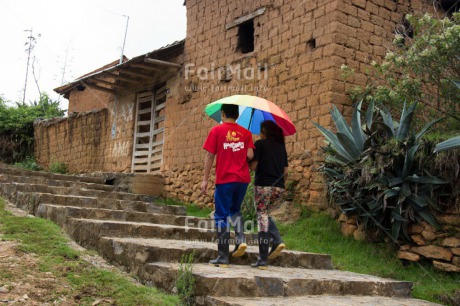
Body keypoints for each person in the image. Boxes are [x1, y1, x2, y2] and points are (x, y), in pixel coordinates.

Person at [201, 103, 255, 268]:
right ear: (237, 115)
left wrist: (204, 179)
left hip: (225, 179)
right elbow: (250, 155)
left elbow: (210, 156)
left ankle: (223, 257)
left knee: (221, 216)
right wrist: (239, 148)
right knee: (234, 210)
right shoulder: (246, 133)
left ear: (223, 114)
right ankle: (240, 239)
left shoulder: (216, 131)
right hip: (242, 180)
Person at [249, 120, 288, 269]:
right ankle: (268, 251)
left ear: (264, 131)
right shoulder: (281, 148)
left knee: (262, 217)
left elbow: (253, 167)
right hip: (279, 188)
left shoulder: (260, 144)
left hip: (263, 186)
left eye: (260, 130)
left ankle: (265, 257)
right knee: (266, 215)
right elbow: (286, 171)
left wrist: (248, 158)